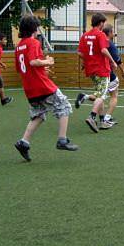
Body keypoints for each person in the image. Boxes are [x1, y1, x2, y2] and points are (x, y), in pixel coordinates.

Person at [13, 15, 78, 162]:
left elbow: (21, 68)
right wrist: (47, 61)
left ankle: (24, 142)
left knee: (38, 115)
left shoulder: (19, 46)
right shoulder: (33, 42)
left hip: (30, 89)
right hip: (42, 85)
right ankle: (62, 140)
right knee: (64, 106)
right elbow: (33, 62)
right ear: (34, 28)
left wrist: (43, 68)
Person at [75, 24, 124, 127]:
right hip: (105, 72)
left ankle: (101, 118)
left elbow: (83, 53)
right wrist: (123, 72)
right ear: (110, 33)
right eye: (113, 32)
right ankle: (102, 118)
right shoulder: (108, 44)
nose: (114, 34)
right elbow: (118, 60)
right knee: (111, 95)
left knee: (100, 94)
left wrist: (85, 63)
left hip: (94, 71)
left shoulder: (91, 38)